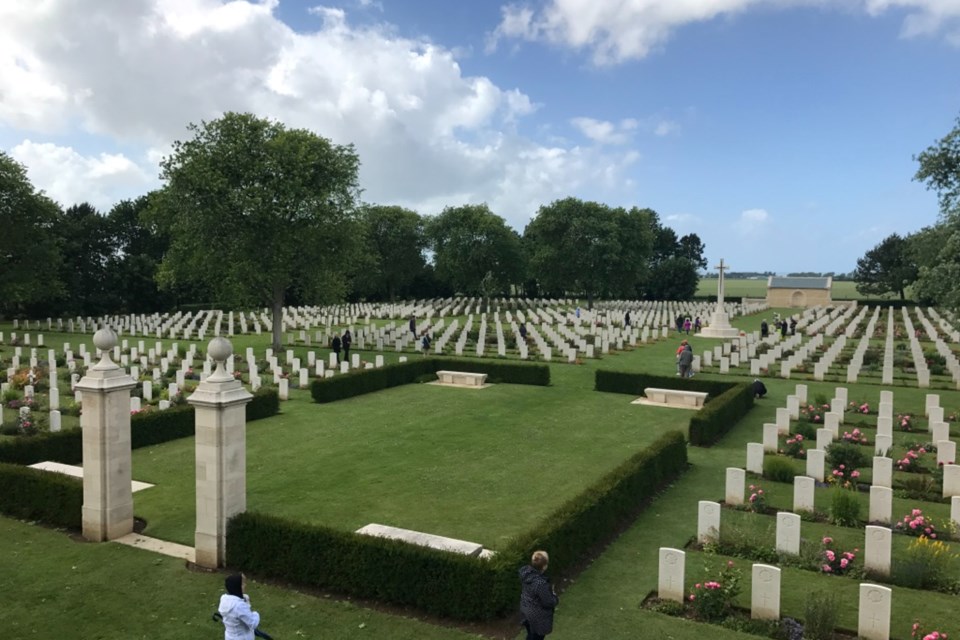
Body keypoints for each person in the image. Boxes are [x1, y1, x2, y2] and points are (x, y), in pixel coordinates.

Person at [519, 550, 559, 640]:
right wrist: (554, 596)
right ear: (544, 566)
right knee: (537, 638)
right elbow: (548, 602)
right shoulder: (540, 583)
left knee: (530, 635)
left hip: (526, 610)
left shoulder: (526, 574)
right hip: (537, 618)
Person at [217, 574, 261, 640]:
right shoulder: (239, 606)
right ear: (236, 587)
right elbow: (253, 623)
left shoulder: (224, 600)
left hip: (229, 637)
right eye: (242, 584)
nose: (245, 585)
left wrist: (245, 600)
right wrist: (256, 614)